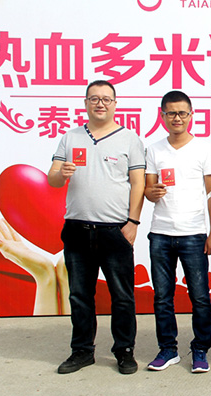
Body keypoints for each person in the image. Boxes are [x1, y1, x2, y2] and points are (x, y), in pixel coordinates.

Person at [47, 80, 145, 374]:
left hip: (115, 230)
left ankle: (124, 351)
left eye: (106, 99)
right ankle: (82, 351)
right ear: (86, 103)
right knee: (79, 295)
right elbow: (52, 178)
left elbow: (138, 183)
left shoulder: (129, 139)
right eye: (94, 98)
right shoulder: (70, 137)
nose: (100, 103)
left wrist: (133, 222)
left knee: (122, 296)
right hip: (77, 229)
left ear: (115, 104)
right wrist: (61, 174)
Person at [144, 91, 211, 373]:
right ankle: (168, 349)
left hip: (194, 234)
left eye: (182, 113)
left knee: (200, 297)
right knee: (162, 297)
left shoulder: (203, 149)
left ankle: (200, 349)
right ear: (162, 115)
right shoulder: (154, 150)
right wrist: (151, 192)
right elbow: (148, 189)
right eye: (171, 113)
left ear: (191, 115)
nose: (177, 118)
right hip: (160, 233)